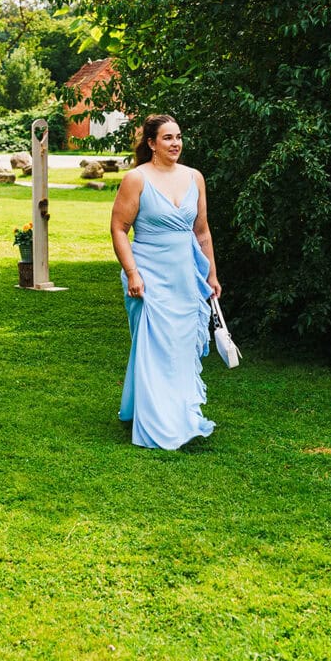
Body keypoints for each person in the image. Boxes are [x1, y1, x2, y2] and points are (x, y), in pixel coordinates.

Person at [110, 114, 223, 449]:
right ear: (151, 144)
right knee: (153, 348)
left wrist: (211, 274)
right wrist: (133, 273)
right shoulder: (136, 179)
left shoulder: (194, 178)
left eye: (178, 137)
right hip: (147, 276)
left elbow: (201, 231)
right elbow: (118, 229)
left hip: (185, 277)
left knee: (179, 347)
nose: (176, 143)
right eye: (168, 138)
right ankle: (157, 424)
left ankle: (179, 414)